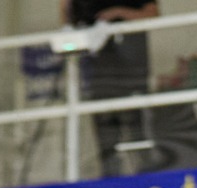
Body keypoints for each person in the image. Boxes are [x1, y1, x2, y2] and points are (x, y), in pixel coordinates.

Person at [63, 1, 161, 177]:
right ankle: (110, 180)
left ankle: (147, 178)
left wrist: (118, 13)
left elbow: (152, 14)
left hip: (132, 76)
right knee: (106, 142)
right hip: (99, 78)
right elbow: (69, 20)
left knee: (138, 135)